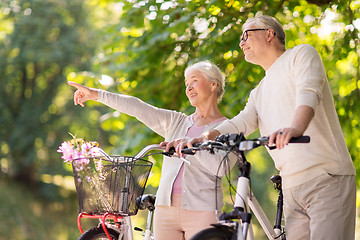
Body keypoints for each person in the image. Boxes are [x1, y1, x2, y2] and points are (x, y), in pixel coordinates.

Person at [178, 15, 356, 240]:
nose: (241, 43)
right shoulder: (259, 91)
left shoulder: (300, 54)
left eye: (246, 35)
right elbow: (240, 122)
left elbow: (308, 92)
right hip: (291, 186)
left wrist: (296, 127)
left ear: (269, 34)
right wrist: (207, 136)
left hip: (325, 177)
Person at [68, 60, 236, 240]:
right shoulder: (177, 122)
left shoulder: (229, 128)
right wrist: (97, 94)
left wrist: (194, 146)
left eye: (194, 80)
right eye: (187, 84)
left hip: (203, 209)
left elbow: (221, 168)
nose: (189, 88)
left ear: (213, 84)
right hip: (165, 211)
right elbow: (138, 107)